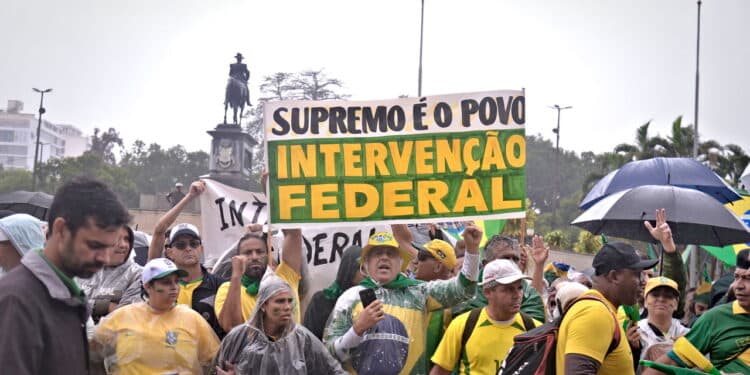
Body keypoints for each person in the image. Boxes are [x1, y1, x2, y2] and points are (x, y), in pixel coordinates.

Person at [0, 176, 131, 374]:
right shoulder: (18, 299)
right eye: (95, 246)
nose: (104, 258)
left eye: (109, 247)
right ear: (61, 230)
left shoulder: (69, 296)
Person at [324, 226, 482, 375]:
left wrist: (472, 251)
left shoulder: (418, 293)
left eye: (391, 253)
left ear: (400, 263)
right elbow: (329, 355)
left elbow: (463, 290)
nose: (384, 257)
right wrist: (357, 330)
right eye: (377, 253)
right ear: (366, 264)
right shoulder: (350, 298)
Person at [93, 257, 220, 374]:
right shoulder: (122, 317)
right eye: (166, 282)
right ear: (148, 286)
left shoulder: (192, 319)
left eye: (176, 281)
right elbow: (91, 353)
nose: (174, 287)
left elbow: (215, 360)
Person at [555, 241, 658, 374]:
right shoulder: (595, 312)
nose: (643, 281)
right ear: (614, 276)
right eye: (637, 274)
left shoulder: (601, 310)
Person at [642, 249, 750, 375]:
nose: (739, 285)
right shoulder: (715, 319)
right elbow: (667, 364)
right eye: (736, 277)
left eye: (748, 278)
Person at [214, 276, 347, 375]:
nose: (287, 307)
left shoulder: (302, 338)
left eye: (290, 301)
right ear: (263, 305)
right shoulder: (239, 337)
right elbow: (216, 369)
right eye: (280, 301)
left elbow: (333, 370)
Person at [430, 259, 542, 375]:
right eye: (508, 289)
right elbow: (440, 371)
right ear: (487, 292)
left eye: (519, 288)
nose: (517, 295)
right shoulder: (463, 324)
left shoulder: (535, 330)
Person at [149, 180, 228, 337]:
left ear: (201, 248)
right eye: (181, 244)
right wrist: (190, 196)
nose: (188, 248)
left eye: (194, 243)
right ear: (170, 252)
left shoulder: (220, 285)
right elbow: (159, 231)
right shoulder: (157, 280)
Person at [215, 228, 303, 332]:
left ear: (268, 255)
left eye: (259, 252)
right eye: (247, 253)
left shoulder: (285, 278)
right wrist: (236, 276)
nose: (254, 257)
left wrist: (266, 226)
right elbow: (231, 327)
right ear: (237, 258)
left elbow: (294, 232)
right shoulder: (227, 289)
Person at [454, 234, 547, 322]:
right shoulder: (466, 293)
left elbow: (535, 327)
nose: (511, 263)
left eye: (515, 259)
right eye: (505, 258)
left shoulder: (531, 294)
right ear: (486, 264)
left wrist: (539, 265)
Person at [77, 225, 142, 323]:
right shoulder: (84, 268)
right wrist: (105, 306)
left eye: (127, 239)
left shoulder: (138, 275)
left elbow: (125, 315)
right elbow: (64, 303)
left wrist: (84, 304)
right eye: (116, 238)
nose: (123, 245)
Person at [303, 245, 364, 340]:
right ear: (349, 269)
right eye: (362, 268)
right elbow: (309, 339)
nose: (367, 273)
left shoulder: (371, 301)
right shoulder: (321, 300)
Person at [635, 277, 690, 357]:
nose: (661, 299)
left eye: (668, 296)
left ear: (676, 304)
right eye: (655, 295)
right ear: (646, 301)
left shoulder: (687, 335)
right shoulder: (635, 333)